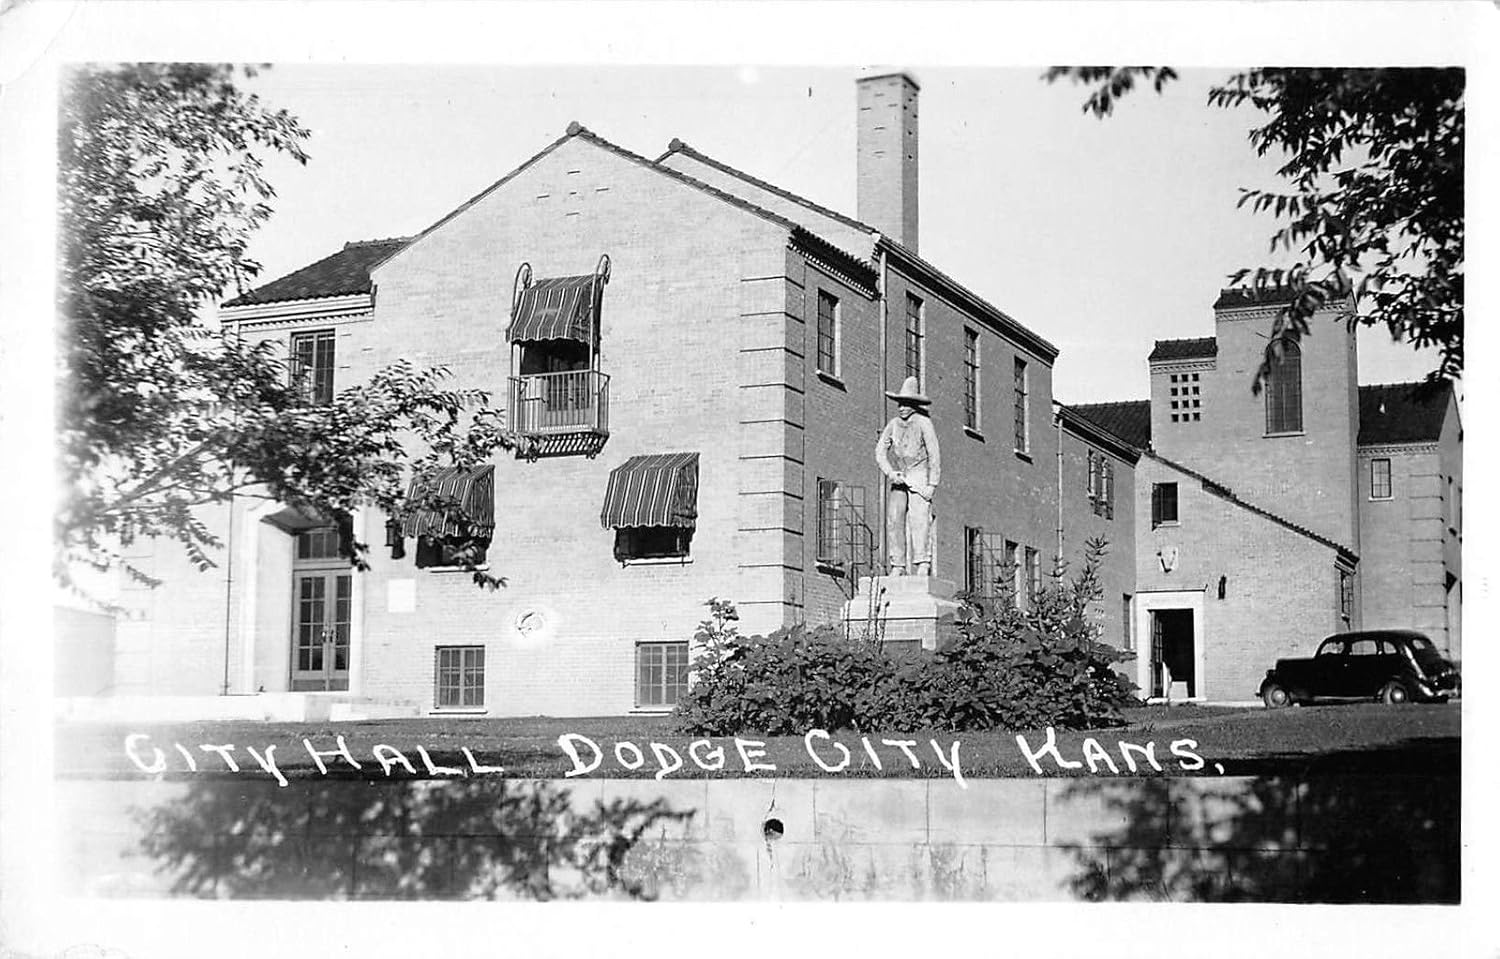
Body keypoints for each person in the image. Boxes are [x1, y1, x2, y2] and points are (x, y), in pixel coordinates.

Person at [875, 376, 941, 576]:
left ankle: (922, 562)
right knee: (894, 518)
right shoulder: (893, 424)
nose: (902, 407)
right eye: (900, 403)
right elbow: (880, 451)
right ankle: (898, 564)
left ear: (914, 405)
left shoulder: (923, 423)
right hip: (899, 478)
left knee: (919, 519)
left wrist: (932, 484)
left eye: (906, 403)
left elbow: (934, 453)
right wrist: (890, 472)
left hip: (919, 477)